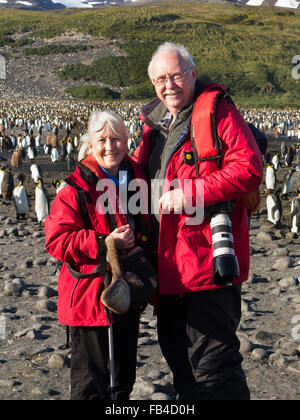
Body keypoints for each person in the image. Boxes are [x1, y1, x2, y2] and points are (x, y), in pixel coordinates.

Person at [133, 42, 263, 400]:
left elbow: (250, 167)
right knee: (179, 358)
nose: (168, 84)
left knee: (214, 367)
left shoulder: (216, 111)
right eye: (160, 78)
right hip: (169, 264)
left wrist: (191, 193)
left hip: (207, 263)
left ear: (192, 73)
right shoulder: (155, 123)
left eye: (176, 75)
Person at [45, 110, 152, 400]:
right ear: (90, 143)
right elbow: (56, 240)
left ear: (127, 140)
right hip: (89, 301)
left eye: (116, 139)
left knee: (122, 382)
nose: (110, 146)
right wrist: (104, 243)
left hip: (125, 295)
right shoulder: (76, 186)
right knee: (91, 386)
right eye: (102, 139)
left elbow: (147, 223)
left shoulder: (135, 175)